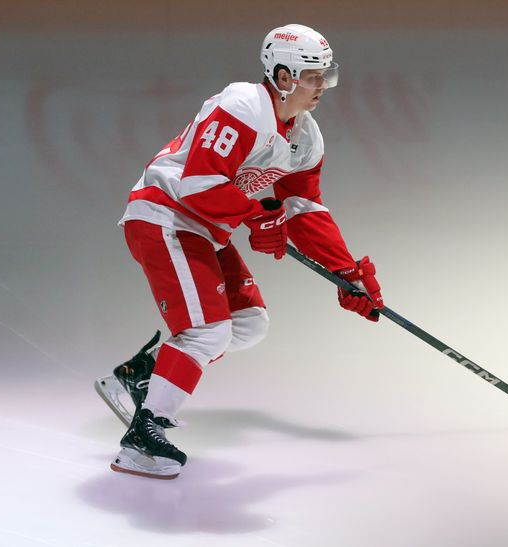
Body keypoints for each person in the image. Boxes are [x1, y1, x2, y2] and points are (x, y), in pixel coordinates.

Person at [94, 24, 384, 480]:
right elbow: (197, 183)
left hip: (205, 231)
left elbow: (303, 208)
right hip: (164, 217)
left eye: (326, 76)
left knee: (248, 324)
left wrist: (347, 273)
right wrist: (257, 214)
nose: (321, 87)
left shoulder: (305, 138)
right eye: (313, 76)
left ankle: (139, 374)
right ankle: (141, 440)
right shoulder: (242, 105)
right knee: (207, 332)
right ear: (284, 76)